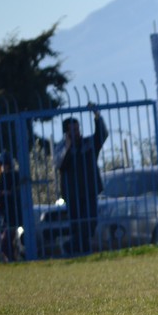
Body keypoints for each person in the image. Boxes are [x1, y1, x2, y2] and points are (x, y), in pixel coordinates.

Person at [56, 106, 108, 255]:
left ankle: (69, 246)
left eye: (77, 129)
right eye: (72, 130)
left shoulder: (88, 143)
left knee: (90, 222)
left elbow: (102, 134)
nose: (76, 132)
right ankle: (82, 251)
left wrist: (97, 116)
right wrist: (68, 147)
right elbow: (60, 164)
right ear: (66, 133)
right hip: (72, 194)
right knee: (76, 224)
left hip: (89, 191)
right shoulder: (61, 148)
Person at [0, 151, 24, 262]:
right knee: (7, 245)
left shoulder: (15, 176)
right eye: (1, 164)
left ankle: (14, 261)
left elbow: (18, 193)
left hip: (13, 216)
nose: (4, 166)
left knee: (4, 245)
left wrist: (7, 194)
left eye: (6, 164)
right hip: (3, 217)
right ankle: (14, 263)